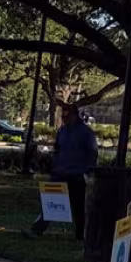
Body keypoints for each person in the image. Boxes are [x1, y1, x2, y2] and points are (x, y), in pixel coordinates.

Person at [32, 103, 99, 241]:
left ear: (75, 115)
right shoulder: (62, 131)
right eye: (62, 115)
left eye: (67, 115)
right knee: (50, 201)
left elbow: (93, 153)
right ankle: (37, 229)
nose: (64, 118)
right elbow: (57, 150)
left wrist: (88, 171)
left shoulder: (86, 133)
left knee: (78, 206)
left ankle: (81, 235)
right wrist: (54, 167)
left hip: (77, 175)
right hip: (60, 173)